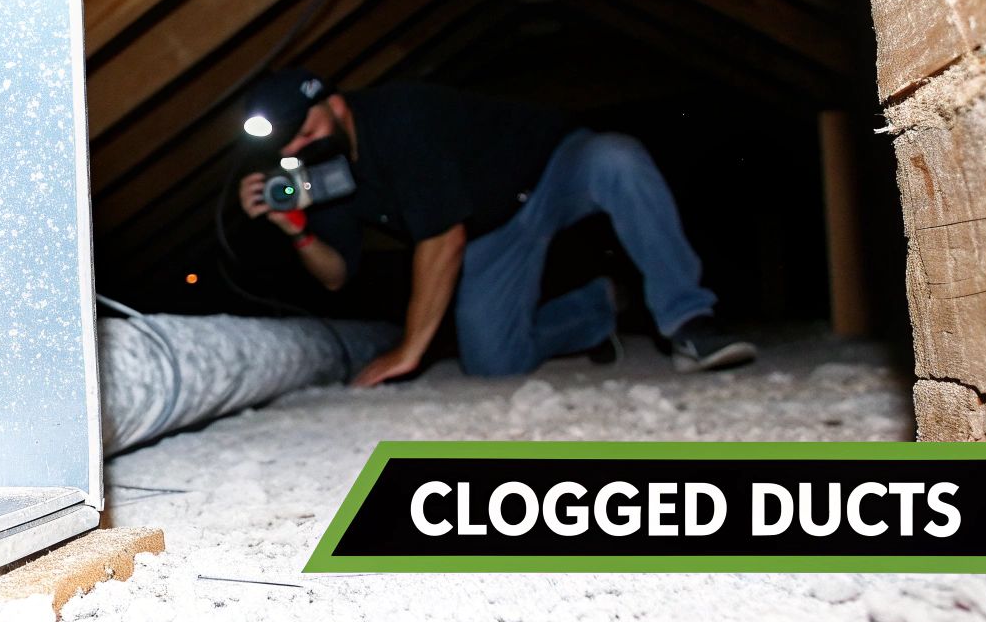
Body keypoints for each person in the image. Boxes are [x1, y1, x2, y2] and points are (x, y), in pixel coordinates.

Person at [235, 69, 756, 387]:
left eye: (307, 131)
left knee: (616, 158)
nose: (299, 151)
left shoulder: (398, 118)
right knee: (492, 363)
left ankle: (690, 323)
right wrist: (296, 230)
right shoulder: (323, 176)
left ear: (338, 105)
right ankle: (601, 305)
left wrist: (410, 350)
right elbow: (335, 277)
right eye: (287, 149)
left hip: (551, 169)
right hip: (493, 227)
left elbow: (442, 238)